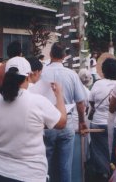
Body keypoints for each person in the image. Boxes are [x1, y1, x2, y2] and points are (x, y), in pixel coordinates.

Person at [0, 56, 67, 182]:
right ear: (28, 76)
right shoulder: (37, 101)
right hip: (29, 174)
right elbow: (61, 122)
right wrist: (59, 95)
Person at [31, 42, 87, 182]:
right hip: (66, 122)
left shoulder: (41, 73)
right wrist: (81, 122)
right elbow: (80, 102)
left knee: (46, 165)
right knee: (65, 166)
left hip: (46, 124)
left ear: (50, 54)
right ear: (65, 56)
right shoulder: (72, 75)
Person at [89, 58, 116, 181]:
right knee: (115, 150)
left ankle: (103, 173)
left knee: (98, 150)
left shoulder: (97, 83)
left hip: (98, 123)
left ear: (103, 70)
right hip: (115, 124)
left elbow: (91, 102)